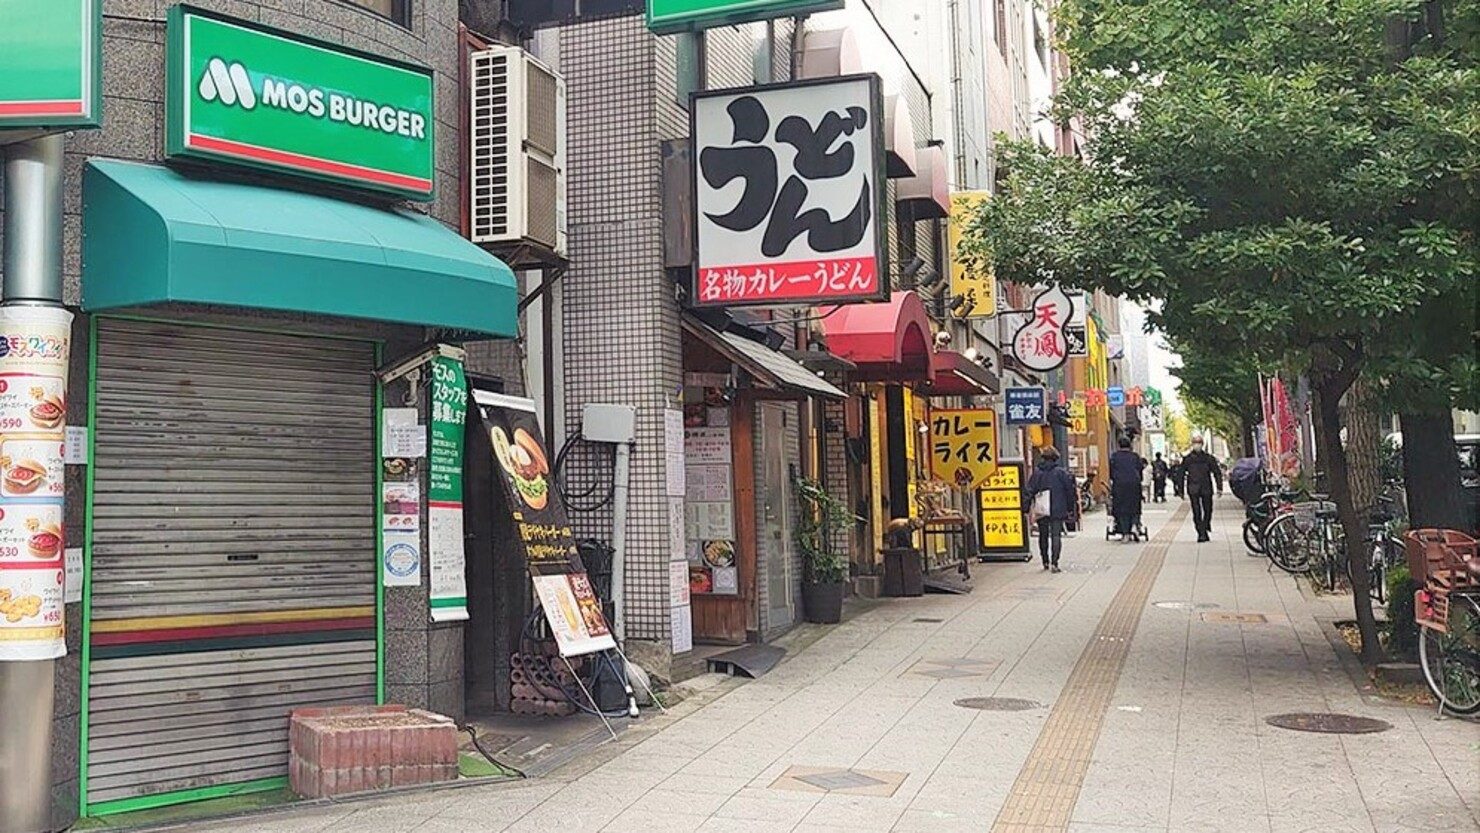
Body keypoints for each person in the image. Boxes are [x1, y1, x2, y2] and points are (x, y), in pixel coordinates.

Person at [1025, 446, 1077, 573]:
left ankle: (1045, 561)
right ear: (1055, 458)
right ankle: (1055, 563)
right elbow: (1070, 491)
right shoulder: (1061, 473)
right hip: (1058, 508)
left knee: (1043, 535)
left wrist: (1025, 507)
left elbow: (1029, 491)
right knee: (1055, 535)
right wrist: (1070, 508)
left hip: (1042, 508)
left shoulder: (1037, 473)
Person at [1182, 437, 1224, 542]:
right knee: (1196, 511)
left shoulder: (1208, 458)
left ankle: (1205, 525)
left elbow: (1216, 472)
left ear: (1202, 444)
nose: (1197, 445)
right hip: (1193, 487)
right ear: (1192, 444)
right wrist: (1180, 490)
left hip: (1206, 487)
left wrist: (1219, 487)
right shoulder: (1188, 459)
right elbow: (1180, 474)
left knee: (1208, 509)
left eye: (1199, 443)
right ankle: (1201, 532)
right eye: (1195, 443)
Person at [1109, 438, 1145, 540]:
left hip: (1120, 485)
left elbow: (1111, 472)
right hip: (1134, 484)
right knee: (1135, 506)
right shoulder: (1135, 456)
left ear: (1119, 445)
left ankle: (1125, 534)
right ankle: (1135, 525)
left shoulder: (1115, 457)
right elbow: (1140, 470)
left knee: (1122, 508)